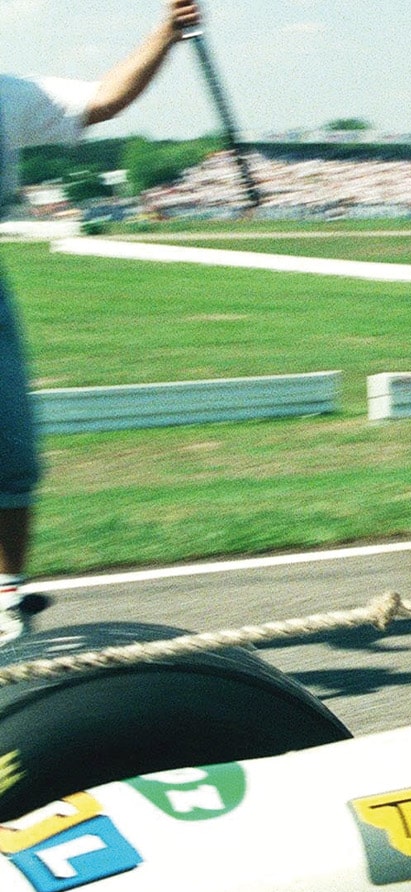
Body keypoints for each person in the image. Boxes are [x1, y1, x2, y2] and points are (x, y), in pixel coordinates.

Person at [0, 0, 204, 645]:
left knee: (11, 450)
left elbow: (105, 100)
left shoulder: (10, 97)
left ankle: (5, 601)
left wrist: (165, 35)